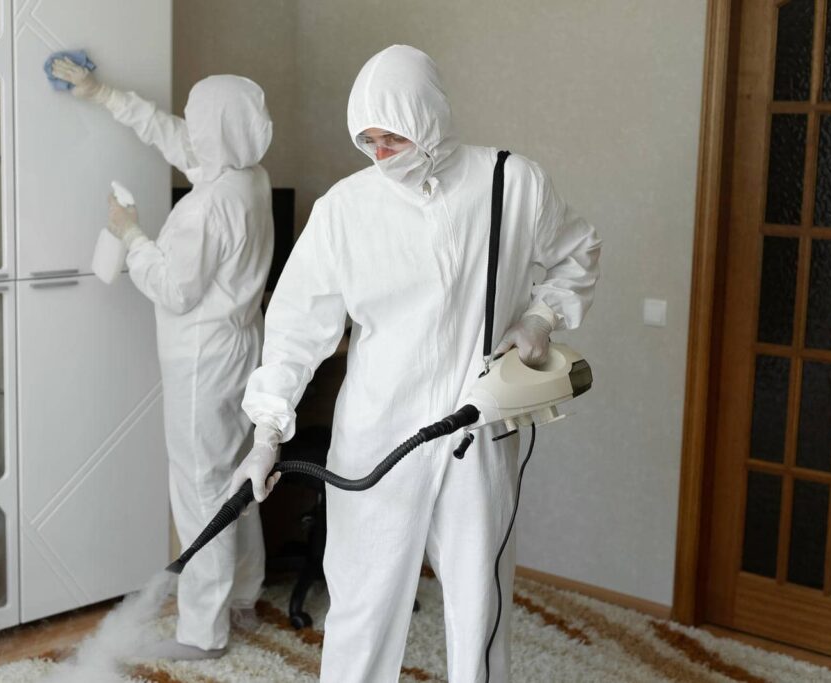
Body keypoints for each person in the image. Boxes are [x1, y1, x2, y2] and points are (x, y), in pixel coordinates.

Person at [231, 45, 601, 681]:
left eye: (393, 137)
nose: (380, 154)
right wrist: (267, 432)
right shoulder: (345, 209)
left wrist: (541, 318)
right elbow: (295, 330)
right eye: (368, 140)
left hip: (476, 433)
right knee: (363, 609)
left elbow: (579, 251)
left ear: (428, 117)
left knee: (480, 610)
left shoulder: (511, 183)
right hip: (378, 437)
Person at [51, 58, 274, 660]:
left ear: (215, 130)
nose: (190, 128)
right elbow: (171, 135)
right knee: (238, 478)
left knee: (201, 491)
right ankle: (243, 596)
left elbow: (175, 289)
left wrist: (130, 235)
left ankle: (203, 633)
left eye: (199, 121)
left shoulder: (207, 206)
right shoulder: (248, 177)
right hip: (241, 350)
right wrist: (101, 93)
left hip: (203, 362)